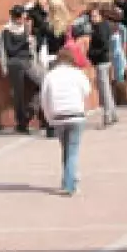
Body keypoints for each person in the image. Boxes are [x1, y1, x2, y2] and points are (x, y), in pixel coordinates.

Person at [39, 47, 91, 196]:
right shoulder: (77, 74)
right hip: (76, 114)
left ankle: (66, 179)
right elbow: (87, 91)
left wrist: (49, 118)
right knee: (73, 151)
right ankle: (70, 184)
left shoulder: (50, 76)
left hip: (58, 116)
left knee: (66, 150)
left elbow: (44, 99)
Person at [0, 5, 42, 134]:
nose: (23, 20)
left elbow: (31, 47)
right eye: (21, 17)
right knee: (19, 94)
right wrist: (24, 40)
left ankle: (31, 110)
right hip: (15, 63)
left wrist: (30, 42)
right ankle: (21, 123)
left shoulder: (26, 29)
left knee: (43, 82)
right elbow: (10, 50)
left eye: (24, 17)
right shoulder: (7, 30)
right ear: (15, 18)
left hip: (28, 61)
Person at [84, 2, 119, 127]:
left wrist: (91, 53)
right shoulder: (104, 26)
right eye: (92, 16)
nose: (93, 19)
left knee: (104, 90)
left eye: (95, 16)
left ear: (101, 16)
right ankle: (113, 114)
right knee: (106, 88)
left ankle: (107, 116)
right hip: (104, 60)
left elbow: (103, 45)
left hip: (102, 61)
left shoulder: (100, 27)